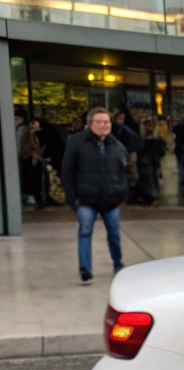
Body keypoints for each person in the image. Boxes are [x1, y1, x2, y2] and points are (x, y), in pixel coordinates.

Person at [60, 106, 128, 282]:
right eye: (100, 122)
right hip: (85, 199)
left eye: (107, 122)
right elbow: (67, 171)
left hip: (111, 198)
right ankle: (85, 269)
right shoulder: (76, 141)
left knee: (114, 233)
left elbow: (122, 170)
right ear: (90, 123)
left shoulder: (115, 144)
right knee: (85, 231)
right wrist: (72, 198)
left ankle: (118, 263)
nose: (104, 125)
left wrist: (122, 191)